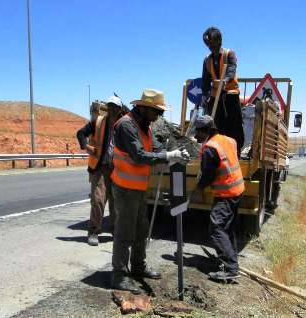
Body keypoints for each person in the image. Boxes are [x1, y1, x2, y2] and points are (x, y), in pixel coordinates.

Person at [111, 89, 190, 293]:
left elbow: (154, 149)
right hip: (125, 188)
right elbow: (138, 156)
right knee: (125, 233)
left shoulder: (144, 126)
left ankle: (138, 267)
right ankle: (119, 276)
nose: (159, 116)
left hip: (137, 189)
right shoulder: (126, 125)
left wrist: (174, 155)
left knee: (141, 230)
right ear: (145, 108)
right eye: (157, 112)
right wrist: (167, 155)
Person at [192, 115, 244, 282]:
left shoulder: (210, 148)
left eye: (197, 132)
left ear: (205, 130)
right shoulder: (229, 140)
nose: (195, 136)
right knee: (227, 229)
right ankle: (231, 262)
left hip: (226, 194)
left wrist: (197, 190)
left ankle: (230, 268)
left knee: (217, 228)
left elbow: (207, 175)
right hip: (237, 190)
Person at [76, 95, 124, 246]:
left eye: (115, 107)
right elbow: (81, 133)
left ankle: (116, 232)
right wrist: (87, 147)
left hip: (118, 169)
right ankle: (93, 232)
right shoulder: (98, 122)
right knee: (98, 200)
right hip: (100, 168)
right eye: (110, 106)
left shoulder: (124, 125)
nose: (112, 109)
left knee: (116, 203)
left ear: (119, 109)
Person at [201, 26, 244, 155]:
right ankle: (218, 151)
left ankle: (235, 151)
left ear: (219, 41)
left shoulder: (229, 54)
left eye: (213, 44)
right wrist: (204, 94)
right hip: (215, 96)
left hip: (230, 95)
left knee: (234, 124)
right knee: (216, 125)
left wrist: (225, 80)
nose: (211, 47)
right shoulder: (207, 60)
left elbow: (231, 69)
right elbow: (205, 79)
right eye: (208, 45)